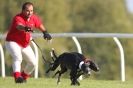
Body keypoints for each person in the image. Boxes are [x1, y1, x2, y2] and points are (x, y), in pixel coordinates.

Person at [5, 2, 52, 83]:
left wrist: (45, 32)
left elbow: (39, 24)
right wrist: (25, 28)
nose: (30, 12)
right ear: (23, 10)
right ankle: (17, 77)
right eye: (27, 11)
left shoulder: (33, 18)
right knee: (18, 57)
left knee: (33, 63)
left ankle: (22, 78)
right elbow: (19, 26)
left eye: (31, 11)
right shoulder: (18, 18)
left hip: (24, 44)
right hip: (12, 42)